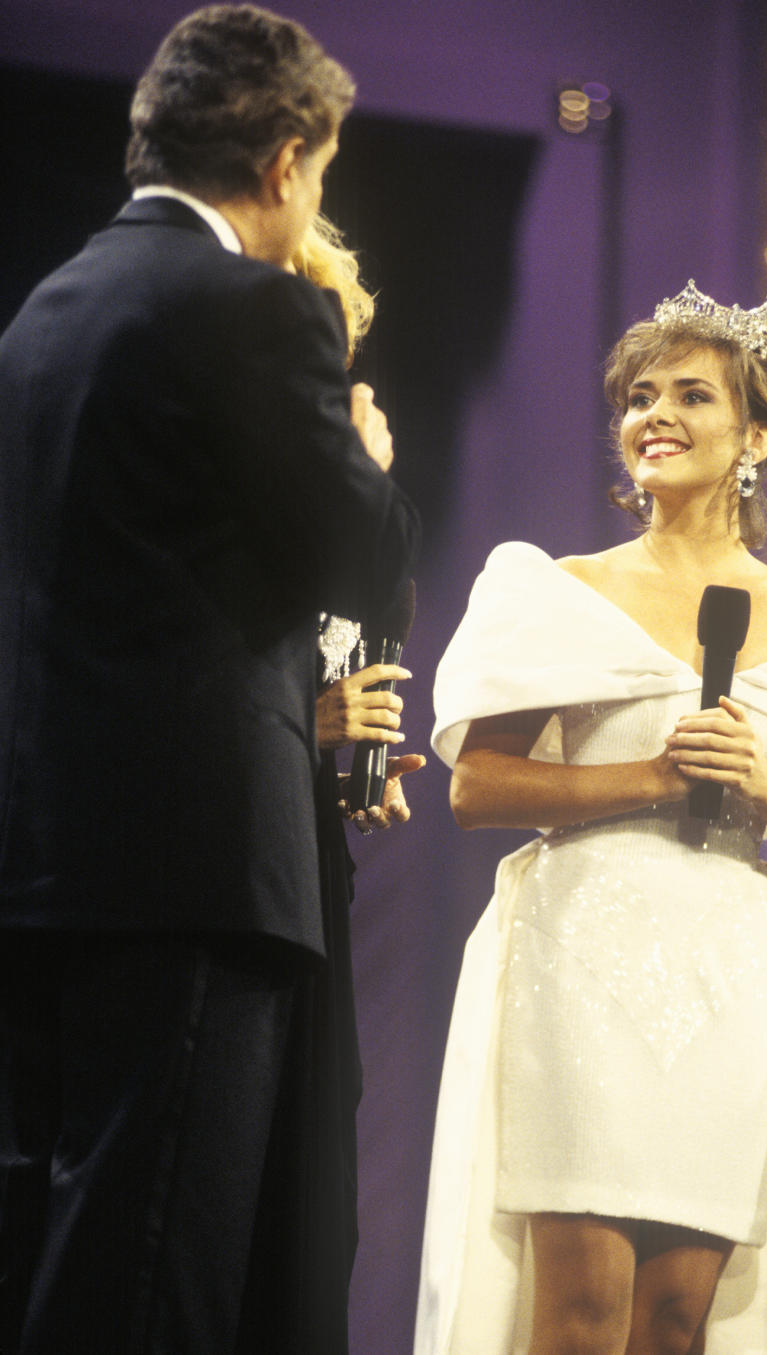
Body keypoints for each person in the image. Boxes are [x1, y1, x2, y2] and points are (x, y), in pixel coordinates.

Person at [0, 6, 420, 1354]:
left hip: (50, 859)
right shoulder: (252, 306)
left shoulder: (45, 311)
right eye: (326, 172)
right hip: (190, 867)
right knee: (158, 1268)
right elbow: (357, 557)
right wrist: (363, 458)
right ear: (291, 156)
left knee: (74, 1238)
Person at [415, 281, 767, 1355]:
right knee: (582, 1312)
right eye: (639, 396)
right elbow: (476, 785)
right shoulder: (562, 590)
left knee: (677, 1319)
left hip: (727, 965)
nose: (655, 415)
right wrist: (653, 773)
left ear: (756, 435)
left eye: (691, 394)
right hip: (580, 952)